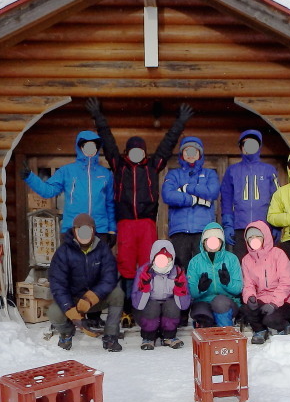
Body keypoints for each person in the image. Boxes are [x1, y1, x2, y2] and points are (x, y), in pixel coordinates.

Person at [85, 98, 193, 324]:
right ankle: (126, 308)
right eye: (133, 151)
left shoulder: (153, 166)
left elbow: (167, 143)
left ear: (144, 153)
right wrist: (99, 118)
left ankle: (144, 307)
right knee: (125, 267)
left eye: (140, 151)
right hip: (125, 223)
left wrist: (179, 123)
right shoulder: (118, 165)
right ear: (127, 152)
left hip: (146, 224)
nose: (136, 154)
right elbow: (108, 140)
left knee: (148, 264)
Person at [46, 214, 125, 351]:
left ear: (93, 230)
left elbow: (110, 277)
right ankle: (66, 332)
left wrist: (91, 297)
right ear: (74, 231)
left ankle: (110, 336)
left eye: (88, 229)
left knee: (117, 293)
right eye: (80, 230)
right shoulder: (63, 252)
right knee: (54, 312)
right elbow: (58, 284)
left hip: (95, 299)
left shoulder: (103, 249)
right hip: (73, 299)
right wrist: (69, 309)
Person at [22, 130, 116, 244]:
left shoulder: (105, 174)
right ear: (80, 147)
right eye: (87, 146)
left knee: (98, 262)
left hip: (99, 230)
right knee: (71, 262)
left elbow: (110, 204)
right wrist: (30, 177)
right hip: (72, 229)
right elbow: (48, 191)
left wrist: (112, 230)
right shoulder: (67, 171)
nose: (90, 149)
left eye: (93, 146)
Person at [162, 136, 220, 270]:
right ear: (181, 154)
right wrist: (194, 200)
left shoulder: (209, 174)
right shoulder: (173, 175)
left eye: (194, 151)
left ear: (200, 154)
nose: (190, 155)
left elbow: (212, 192)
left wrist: (187, 188)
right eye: (187, 151)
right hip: (180, 230)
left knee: (204, 268)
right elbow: (168, 195)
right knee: (181, 269)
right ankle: (184, 292)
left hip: (203, 230)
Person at [220, 129, 280, 261]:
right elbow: (226, 200)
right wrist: (228, 225)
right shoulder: (232, 171)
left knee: (265, 263)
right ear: (241, 147)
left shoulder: (269, 170)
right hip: (240, 227)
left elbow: (277, 199)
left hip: (264, 227)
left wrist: (276, 225)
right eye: (246, 144)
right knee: (242, 264)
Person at [239, 220, 290, 343]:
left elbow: (286, 282)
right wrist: (250, 297)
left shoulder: (278, 254)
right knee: (246, 309)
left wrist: (274, 303)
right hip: (262, 299)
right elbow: (248, 284)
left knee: (270, 318)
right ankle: (260, 330)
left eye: (257, 237)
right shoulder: (246, 260)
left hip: (283, 301)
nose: (254, 240)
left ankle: (286, 326)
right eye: (250, 237)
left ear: (264, 237)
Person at [130, 240, 191, 350]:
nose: (164, 262)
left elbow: (184, 306)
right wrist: (145, 287)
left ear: (172, 258)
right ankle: (149, 337)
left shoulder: (177, 272)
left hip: (168, 307)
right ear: (153, 258)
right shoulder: (144, 271)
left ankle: (169, 336)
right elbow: (138, 304)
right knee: (152, 307)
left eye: (167, 258)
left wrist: (180, 289)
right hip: (148, 308)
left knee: (172, 306)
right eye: (159, 258)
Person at [186, 222, 243, 327]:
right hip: (203, 301)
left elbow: (238, 289)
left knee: (219, 303)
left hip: (226, 302)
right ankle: (207, 335)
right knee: (201, 313)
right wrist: (200, 288)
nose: (212, 244)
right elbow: (191, 293)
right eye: (209, 240)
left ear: (222, 242)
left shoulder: (231, 259)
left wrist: (228, 283)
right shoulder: (195, 262)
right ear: (203, 242)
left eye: (216, 241)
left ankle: (225, 333)